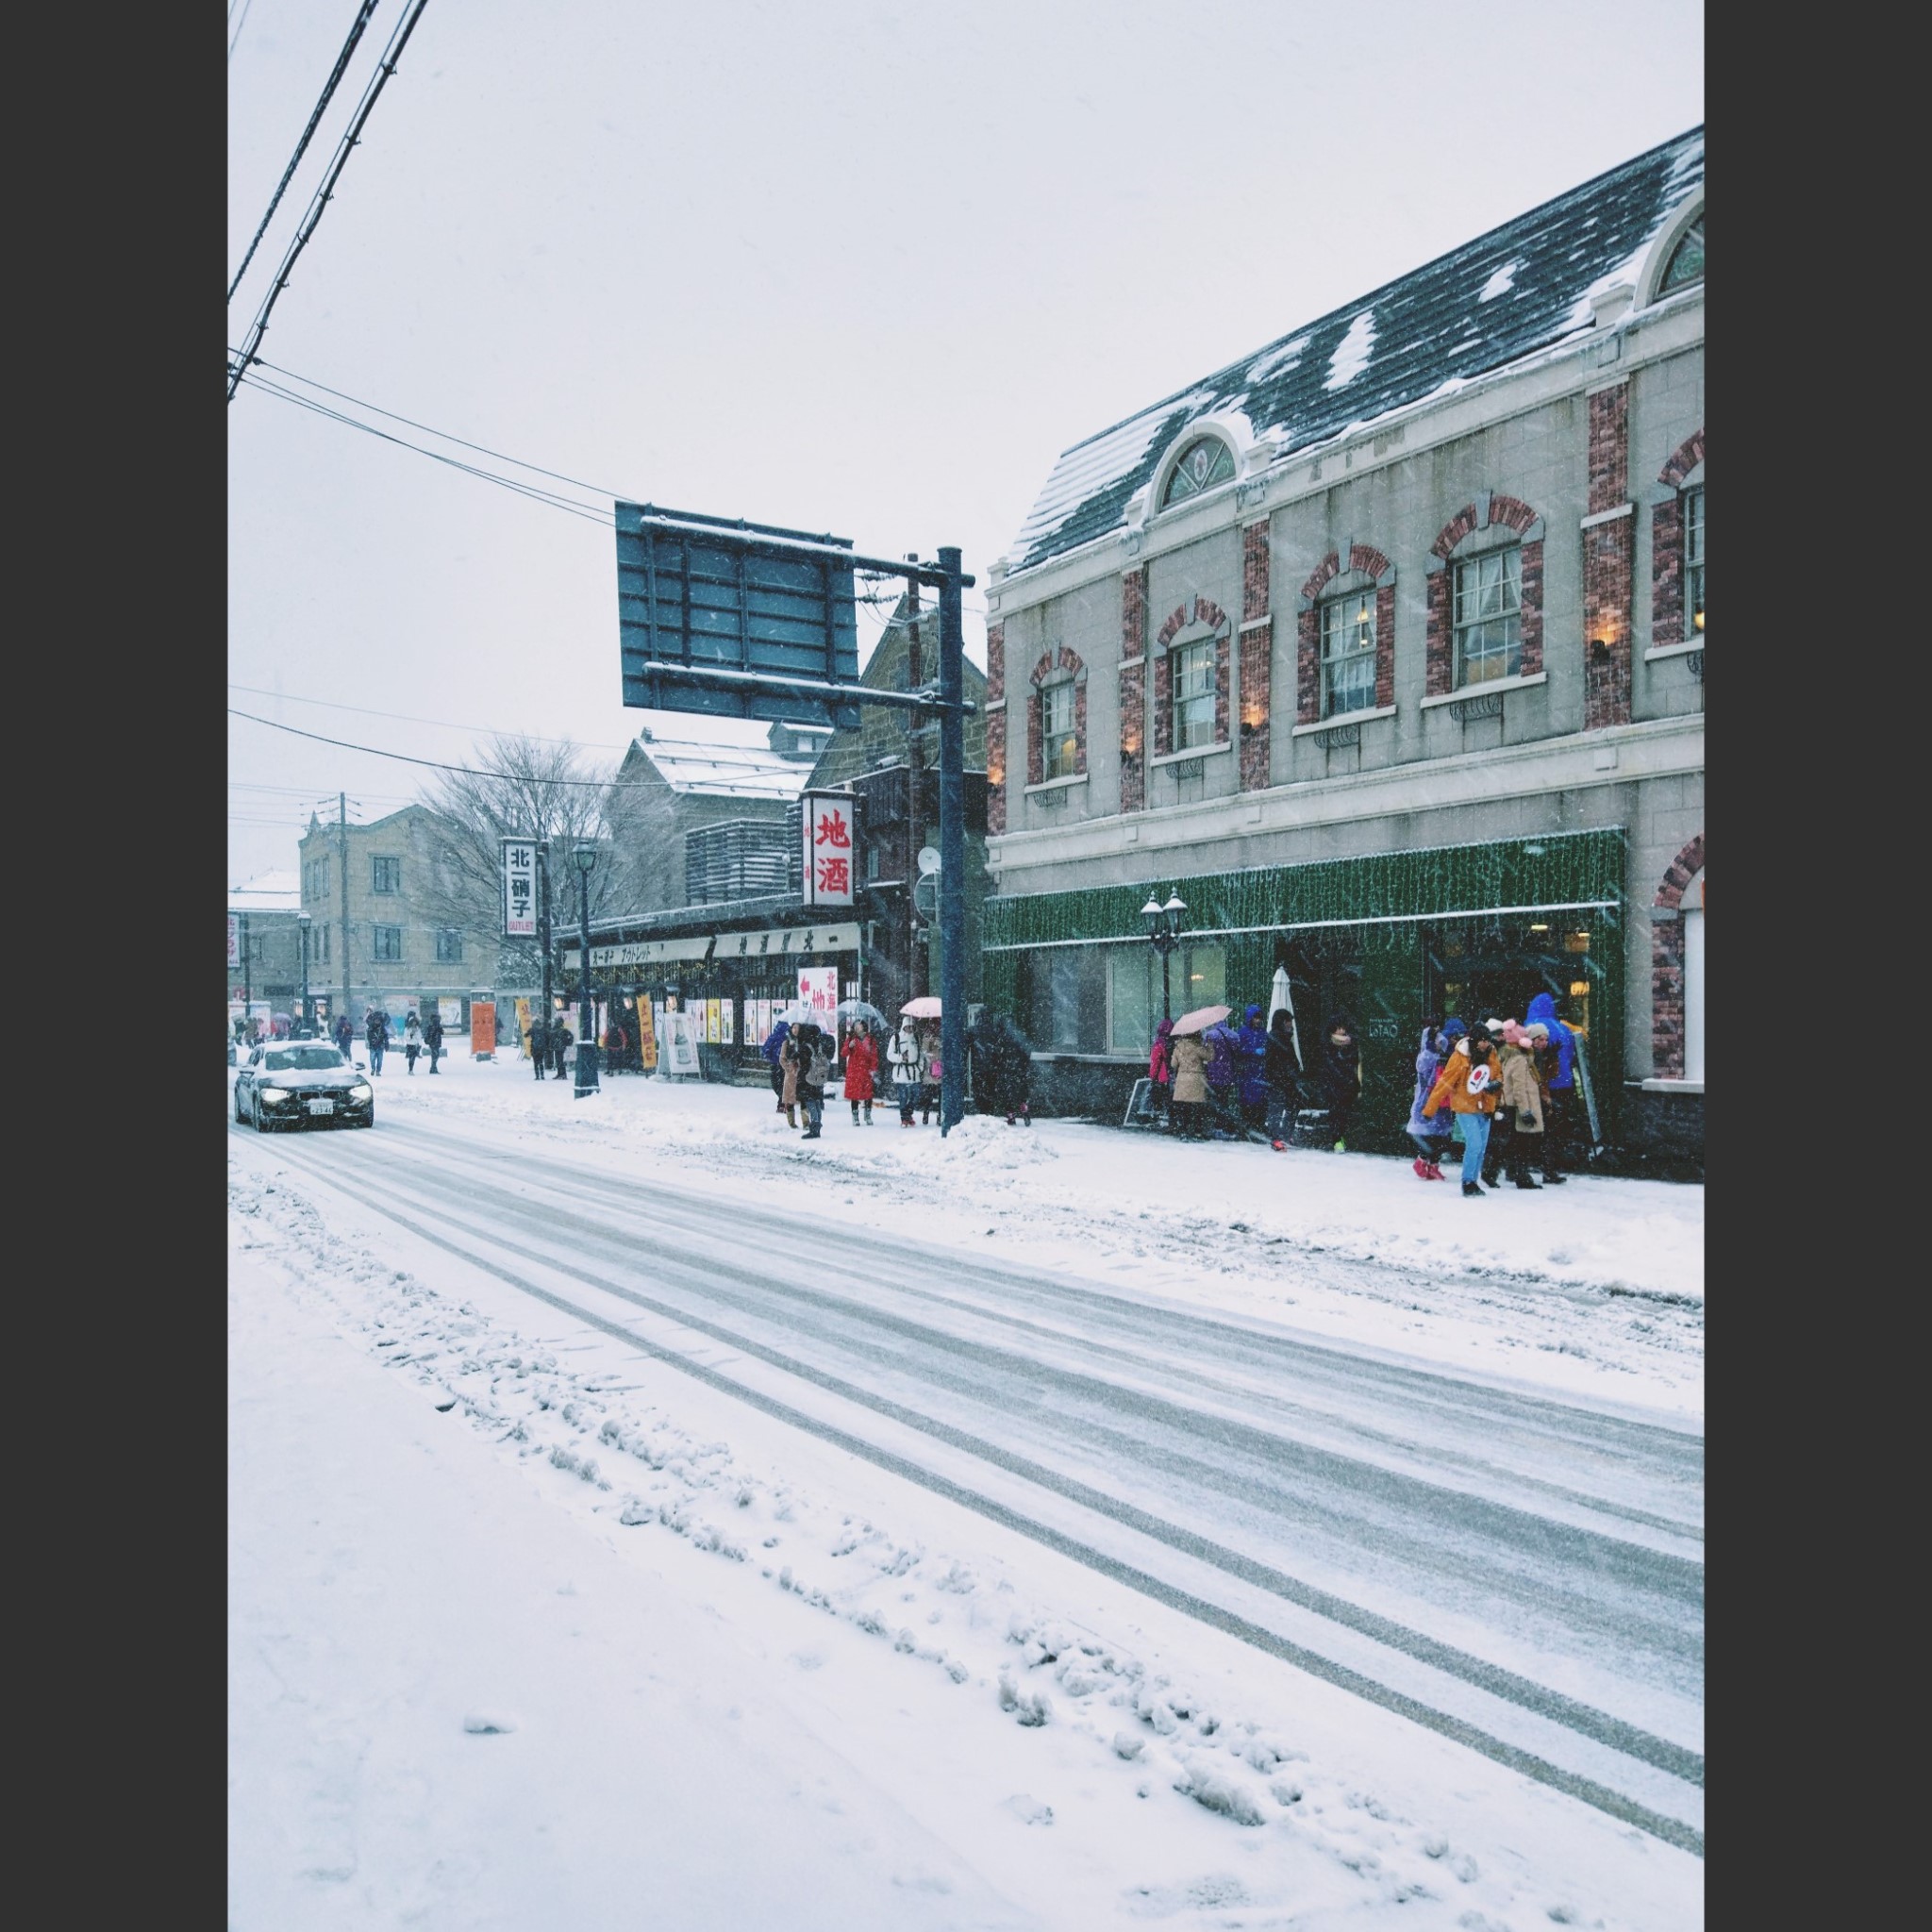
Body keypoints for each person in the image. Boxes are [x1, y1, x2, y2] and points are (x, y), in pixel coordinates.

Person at [1423, 1028, 1501, 1197]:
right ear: (1473, 1040)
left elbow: (1498, 1074)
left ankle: (1473, 1181)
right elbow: (1445, 1082)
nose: (1485, 1043)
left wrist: (1496, 1084)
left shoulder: (1492, 1053)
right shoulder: (1460, 1056)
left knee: (1481, 1148)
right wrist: (1430, 1109)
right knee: (1475, 1145)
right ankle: (1467, 1181)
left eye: (1487, 1040)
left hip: (1485, 1107)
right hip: (1465, 1106)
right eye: (1482, 1040)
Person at [1524, 991, 1575, 1182]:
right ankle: (1549, 1166)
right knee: (1555, 1129)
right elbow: (1570, 1055)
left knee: (1532, 1128)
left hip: (1539, 1086)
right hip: (1563, 1084)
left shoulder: (1529, 1028)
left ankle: (1523, 1164)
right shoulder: (1563, 1028)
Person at [1407, 1019, 1461, 1178]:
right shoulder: (1427, 1056)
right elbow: (1423, 1068)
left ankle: (1433, 1164)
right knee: (1431, 1136)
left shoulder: (1450, 1054)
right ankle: (1423, 1161)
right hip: (1429, 1101)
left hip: (1444, 1101)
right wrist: (1431, 1049)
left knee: (1441, 1135)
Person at [1496, 1021, 1547, 1189]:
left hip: (1511, 1105)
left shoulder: (1509, 1056)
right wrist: (1525, 1110)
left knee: (1514, 1143)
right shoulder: (1519, 1059)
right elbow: (1519, 1087)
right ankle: (1521, 1176)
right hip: (1521, 1105)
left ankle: (1507, 1171)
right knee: (1523, 1143)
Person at [1318, 1014, 1362, 1151]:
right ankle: (1337, 1139)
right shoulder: (1328, 1046)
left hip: (1346, 1085)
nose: (1341, 1032)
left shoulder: (1350, 1044)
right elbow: (1331, 1066)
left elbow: (1353, 1062)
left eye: (1343, 1028)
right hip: (1335, 1085)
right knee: (1336, 1113)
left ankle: (1339, 1138)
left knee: (1342, 1114)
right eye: (1338, 1029)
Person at [1263, 1008, 1303, 1150]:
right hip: (1280, 1081)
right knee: (1277, 1109)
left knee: (1291, 1106)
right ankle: (1276, 1138)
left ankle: (1284, 1134)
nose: (1290, 1024)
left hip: (1287, 1081)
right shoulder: (1275, 1038)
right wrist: (1279, 1076)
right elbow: (1270, 1063)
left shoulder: (1285, 1038)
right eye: (1288, 1021)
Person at [1169, 1026, 1211, 1140]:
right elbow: (1210, 1057)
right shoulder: (1198, 1047)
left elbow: (1173, 1064)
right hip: (1196, 1079)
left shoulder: (1178, 1047)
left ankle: (1183, 1131)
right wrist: (1210, 1045)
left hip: (1182, 1078)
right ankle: (1197, 1132)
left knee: (1184, 1107)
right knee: (1197, 1107)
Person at [1235, 1005, 1272, 1133]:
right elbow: (1238, 1051)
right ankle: (1248, 1125)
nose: (1258, 1020)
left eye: (1259, 1018)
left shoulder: (1263, 1033)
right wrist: (1252, 1051)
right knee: (1248, 1099)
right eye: (1255, 1018)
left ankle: (1257, 1125)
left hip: (1259, 1071)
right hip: (1248, 1071)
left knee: (1260, 1100)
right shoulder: (1243, 1032)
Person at [887, 1015, 926, 1127]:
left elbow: (921, 1055)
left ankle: (908, 1114)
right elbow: (889, 1055)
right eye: (907, 1026)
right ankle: (904, 1118)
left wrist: (920, 1068)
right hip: (901, 1072)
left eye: (912, 1026)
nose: (910, 1029)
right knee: (903, 1097)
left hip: (914, 1072)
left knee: (916, 1095)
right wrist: (900, 1057)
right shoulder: (896, 1038)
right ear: (903, 1026)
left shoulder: (917, 1038)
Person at [797, 1023, 831, 1139]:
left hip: (808, 1078)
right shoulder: (821, 1044)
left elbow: (803, 1063)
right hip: (819, 1077)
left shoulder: (805, 1047)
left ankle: (814, 1129)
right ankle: (817, 1127)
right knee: (816, 1102)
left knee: (810, 1102)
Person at [843, 1021, 878, 1125]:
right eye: (855, 1026)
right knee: (855, 1095)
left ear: (864, 1027)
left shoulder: (870, 1039)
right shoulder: (851, 1039)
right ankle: (855, 1116)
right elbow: (844, 1053)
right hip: (854, 1071)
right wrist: (849, 1046)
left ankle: (867, 1115)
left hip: (866, 1070)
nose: (857, 1028)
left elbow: (874, 1055)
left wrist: (873, 1069)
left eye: (859, 1026)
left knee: (868, 1094)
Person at [1148, 1017, 1175, 1129]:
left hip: (1162, 1077)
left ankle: (1160, 1121)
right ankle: (1172, 1122)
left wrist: (1152, 1077)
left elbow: (1155, 1062)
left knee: (1159, 1100)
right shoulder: (1175, 1043)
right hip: (1175, 1076)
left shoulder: (1159, 1044)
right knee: (1172, 1101)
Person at [760, 1016, 792, 1114]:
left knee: (777, 1083)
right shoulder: (790, 1036)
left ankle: (781, 1102)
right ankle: (784, 1103)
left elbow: (766, 1049)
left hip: (776, 1063)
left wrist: (771, 1057)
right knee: (785, 1084)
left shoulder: (775, 1034)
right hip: (786, 1064)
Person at [778, 1024, 803, 1128]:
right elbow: (782, 1058)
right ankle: (791, 1122)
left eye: (797, 1028)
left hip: (801, 1074)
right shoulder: (787, 1042)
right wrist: (788, 1068)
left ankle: (806, 1122)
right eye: (794, 1028)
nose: (795, 1030)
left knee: (803, 1099)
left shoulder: (802, 1042)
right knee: (790, 1099)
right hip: (791, 1074)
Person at [918, 1021, 942, 1125]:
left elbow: (944, 1051)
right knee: (929, 1095)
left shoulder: (942, 1036)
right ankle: (926, 1113)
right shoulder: (926, 1037)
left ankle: (940, 1115)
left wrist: (938, 1043)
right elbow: (924, 1052)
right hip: (930, 1071)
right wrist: (930, 1043)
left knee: (941, 1096)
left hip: (940, 1069)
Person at [364, 1005, 389, 1076]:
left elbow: (386, 1037)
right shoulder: (370, 1028)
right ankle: (373, 1069)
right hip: (373, 1046)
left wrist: (386, 1044)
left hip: (380, 1046)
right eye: (376, 1020)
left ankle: (378, 1071)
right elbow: (369, 1037)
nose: (377, 1021)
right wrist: (372, 1042)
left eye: (378, 1020)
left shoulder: (382, 1029)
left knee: (380, 1060)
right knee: (372, 1059)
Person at [527, 1010, 549, 1079]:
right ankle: (542, 1076)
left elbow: (526, 1035)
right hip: (542, 1048)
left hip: (535, 1048)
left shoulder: (532, 1029)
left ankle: (537, 1076)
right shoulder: (543, 1028)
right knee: (541, 1062)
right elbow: (548, 1037)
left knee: (535, 1063)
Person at [424, 1006, 444, 1074]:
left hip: (435, 1042)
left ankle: (433, 1068)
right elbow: (439, 1033)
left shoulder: (433, 1026)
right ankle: (433, 1068)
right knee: (435, 1055)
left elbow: (442, 1032)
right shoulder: (433, 1026)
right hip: (434, 1042)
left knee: (435, 1055)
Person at [403, 1009, 424, 1074]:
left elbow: (420, 1037)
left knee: (413, 1058)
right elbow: (405, 1037)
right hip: (410, 1045)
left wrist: (420, 1044)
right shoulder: (407, 1029)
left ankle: (411, 1069)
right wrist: (411, 1036)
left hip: (416, 1044)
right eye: (413, 1022)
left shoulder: (418, 1029)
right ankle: (410, 1069)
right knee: (411, 1057)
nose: (414, 1023)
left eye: (415, 1022)